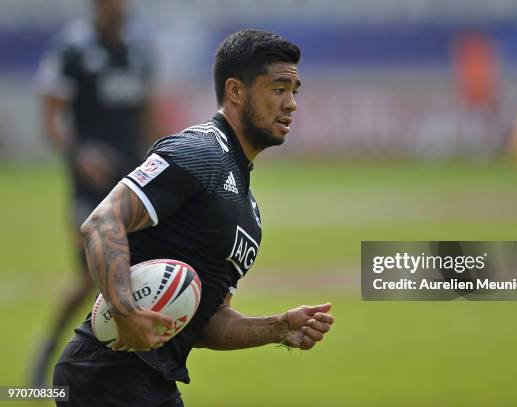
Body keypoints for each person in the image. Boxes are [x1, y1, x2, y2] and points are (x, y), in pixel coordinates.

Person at [52, 29, 334, 406]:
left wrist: (279, 328)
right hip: (104, 374)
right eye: (278, 88)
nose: (291, 104)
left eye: (294, 90)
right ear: (235, 91)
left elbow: (207, 321)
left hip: (152, 384)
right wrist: (125, 311)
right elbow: (102, 223)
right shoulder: (198, 151)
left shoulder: (250, 214)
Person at [32, 0, 159, 387]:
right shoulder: (72, 49)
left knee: (140, 269)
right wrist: (78, 152)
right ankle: (50, 349)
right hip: (89, 187)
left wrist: (155, 155)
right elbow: (51, 115)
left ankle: (126, 366)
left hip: (132, 181)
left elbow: (146, 111)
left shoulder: (139, 49)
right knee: (91, 276)